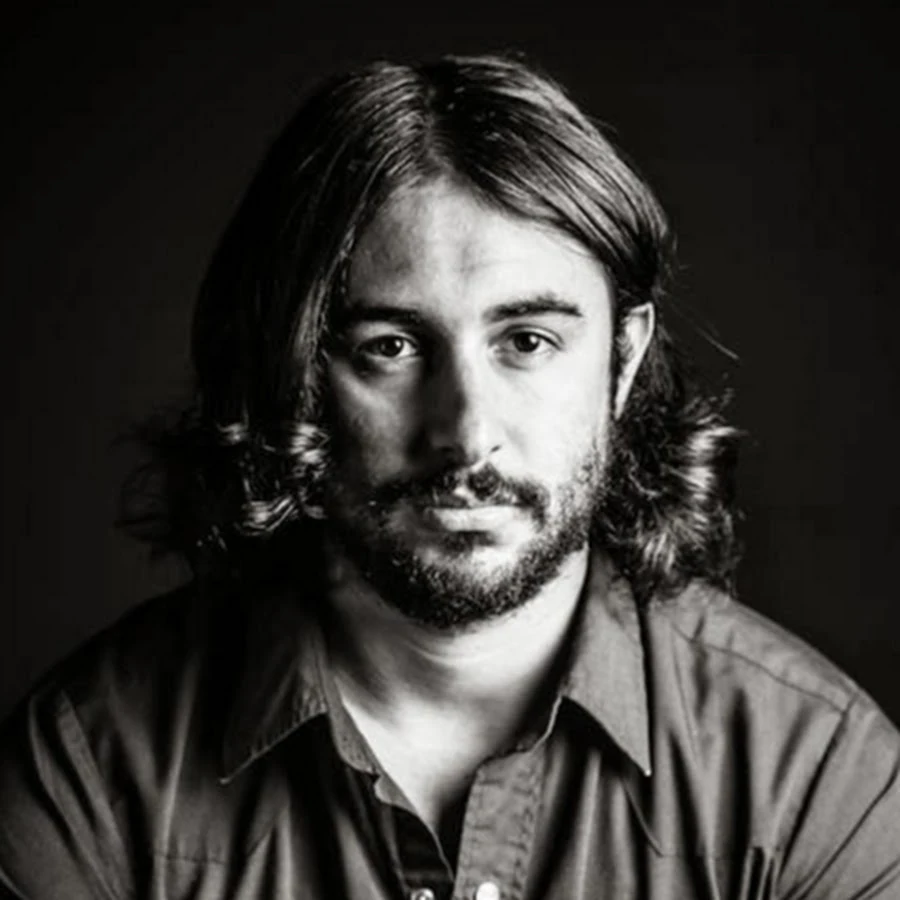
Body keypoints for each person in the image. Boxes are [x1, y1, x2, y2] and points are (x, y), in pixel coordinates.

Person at [1, 53, 898, 900]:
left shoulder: (814, 777)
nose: (467, 435)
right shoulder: (91, 773)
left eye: (528, 342)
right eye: (390, 347)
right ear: (294, 371)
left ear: (622, 362)